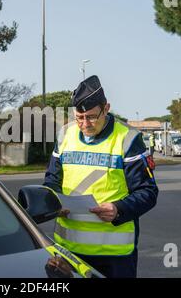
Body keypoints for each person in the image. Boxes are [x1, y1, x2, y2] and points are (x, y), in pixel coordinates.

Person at [44, 75, 159, 278]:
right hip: (67, 251)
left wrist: (118, 209)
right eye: (79, 117)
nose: (85, 124)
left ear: (106, 108)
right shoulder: (64, 135)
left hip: (114, 257)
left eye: (91, 117)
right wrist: (54, 203)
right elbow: (51, 181)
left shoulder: (128, 138)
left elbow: (148, 192)